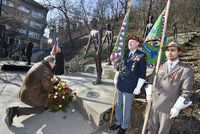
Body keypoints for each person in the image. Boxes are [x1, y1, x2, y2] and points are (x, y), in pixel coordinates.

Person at [146, 41, 194, 134]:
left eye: (172, 50)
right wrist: (148, 93)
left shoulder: (186, 70)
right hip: (154, 103)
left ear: (179, 52)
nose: (169, 53)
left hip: (169, 106)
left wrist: (177, 107)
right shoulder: (160, 65)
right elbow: (151, 80)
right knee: (151, 129)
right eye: (167, 50)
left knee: (163, 131)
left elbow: (186, 91)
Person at [110, 36, 147, 134]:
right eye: (129, 42)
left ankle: (124, 125)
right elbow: (120, 67)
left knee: (126, 107)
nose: (129, 43)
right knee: (118, 105)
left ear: (137, 44)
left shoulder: (141, 55)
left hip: (130, 86)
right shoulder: (125, 55)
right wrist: (116, 77)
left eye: (132, 42)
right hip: (120, 84)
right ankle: (118, 121)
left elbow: (142, 73)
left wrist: (138, 87)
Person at [5, 55, 55, 127]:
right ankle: (14, 111)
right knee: (41, 109)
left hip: (24, 92)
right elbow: (48, 88)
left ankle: (13, 111)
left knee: (44, 103)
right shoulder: (45, 70)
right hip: (30, 95)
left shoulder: (39, 64)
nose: (54, 65)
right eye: (54, 63)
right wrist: (54, 83)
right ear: (50, 62)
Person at [84, 18, 102, 85]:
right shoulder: (91, 32)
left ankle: (99, 78)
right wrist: (86, 52)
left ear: (95, 22)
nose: (90, 24)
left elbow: (100, 42)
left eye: (91, 22)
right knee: (97, 64)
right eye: (90, 22)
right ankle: (98, 77)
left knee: (98, 64)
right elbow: (89, 43)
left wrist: (98, 51)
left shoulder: (99, 30)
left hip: (98, 49)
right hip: (95, 49)